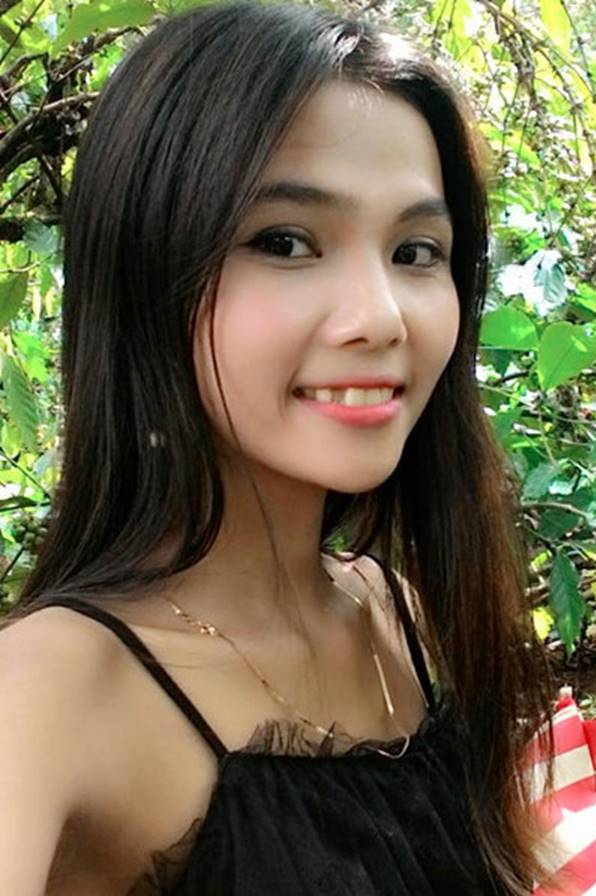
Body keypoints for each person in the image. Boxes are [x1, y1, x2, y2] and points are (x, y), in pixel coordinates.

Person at [0, 1, 558, 893]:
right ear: (144, 271)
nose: (381, 317)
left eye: (417, 251)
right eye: (285, 242)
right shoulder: (47, 692)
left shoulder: (401, 614)